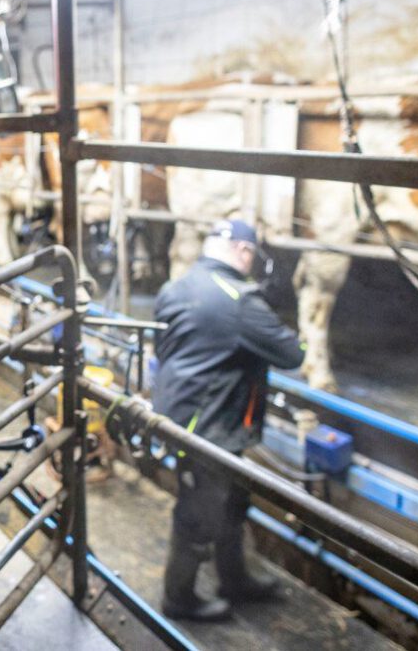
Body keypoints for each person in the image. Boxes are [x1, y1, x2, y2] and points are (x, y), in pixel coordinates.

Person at [152, 219, 305, 621]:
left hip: (179, 415)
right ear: (243, 251)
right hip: (211, 426)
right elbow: (292, 354)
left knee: (232, 500)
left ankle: (234, 579)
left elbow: (164, 345)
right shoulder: (240, 299)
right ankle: (178, 598)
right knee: (200, 510)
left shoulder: (176, 286)